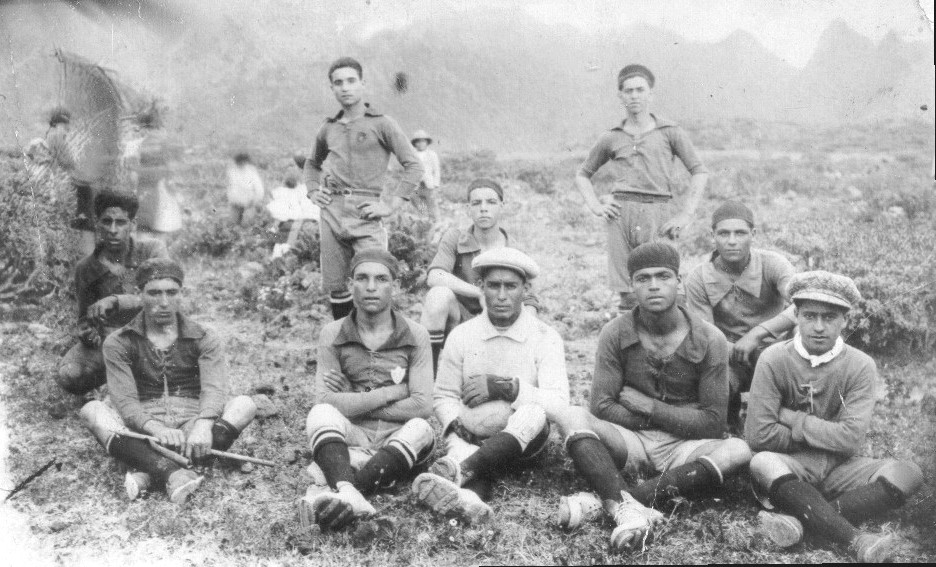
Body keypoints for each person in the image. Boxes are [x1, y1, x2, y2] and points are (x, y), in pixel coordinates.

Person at [551, 242, 751, 551]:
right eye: (643, 278)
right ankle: (626, 505)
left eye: (663, 276)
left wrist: (650, 407)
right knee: (571, 414)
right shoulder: (615, 332)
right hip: (632, 439)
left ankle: (615, 501)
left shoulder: (710, 338)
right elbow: (601, 405)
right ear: (631, 285)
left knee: (736, 450)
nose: (654, 286)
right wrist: (647, 420)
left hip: (685, 447)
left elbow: (713, 423)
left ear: (679, 281)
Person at [746, 271, 923, 562]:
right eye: (809, 316)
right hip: (792, 465)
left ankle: (802, 521)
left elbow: (851, 439)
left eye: (829, 318)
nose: (818, 327)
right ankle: (857, 540)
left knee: (909, 472)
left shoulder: (860, 364)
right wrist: (827, 437)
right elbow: (758, 434)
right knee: (761, 461)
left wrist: (792, 418)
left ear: (845, 320)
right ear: (796, 316)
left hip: (841, 466)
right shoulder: (774, 357)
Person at [79, 258, 258, 503]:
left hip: (192, 427)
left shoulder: (204, 337)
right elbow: (125, 401)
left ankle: (147, 468)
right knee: (92, 411)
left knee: (245, 405)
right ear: (139, 294)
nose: (163, 302)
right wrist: (157, 428)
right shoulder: (119, 342)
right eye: (154, 293)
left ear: (180, 294)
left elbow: (214, 388)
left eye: (171, 292)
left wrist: (204, 425)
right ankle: (172, 472)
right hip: (143, 428)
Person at [412, 248, 569, 524]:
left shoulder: (545, 336)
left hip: (523, 444)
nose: (502, 295)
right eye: (493, 285)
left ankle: (460, 470)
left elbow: (559, 404)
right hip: (470, 435)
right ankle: (469, 502)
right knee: (467, 452)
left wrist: (506, 388)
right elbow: (444, 394)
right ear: (480, 287)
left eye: (511, 286)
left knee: (533, 413)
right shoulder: (462, 335)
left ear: (525, 288)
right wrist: (454, 426)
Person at [299, 249, 435, 532]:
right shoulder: (332, 333)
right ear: (350, 285)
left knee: (421, 427)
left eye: (381, 279)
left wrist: (354, 397)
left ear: (395, 286)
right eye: (362, 278)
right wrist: (391, 392)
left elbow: (422, 405)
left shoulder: (416, 334)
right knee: (320, 413)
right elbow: (325, 399)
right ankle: (353, 489)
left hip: (397, 435)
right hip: (353, 434)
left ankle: (343, 489)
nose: (371, 287)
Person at [575, 64, 708, 313]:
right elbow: (583, 174)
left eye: (640, 90)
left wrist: (686, 214)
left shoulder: (670, 132)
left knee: (664, 283)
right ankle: (630, 345)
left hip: (659, 213)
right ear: (620, 96)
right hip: (620, 214)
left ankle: (666, 345)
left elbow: (699, 171)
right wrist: (596, 205)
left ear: (650, 94)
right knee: (627, 290)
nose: (634, 95)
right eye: (628, 91)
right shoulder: (611, 136)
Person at [304, 56, 423, 320]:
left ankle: (379, 348)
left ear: (362, 84)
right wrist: (313, 190)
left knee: (376, 281)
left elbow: (414, 166)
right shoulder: (328, 128)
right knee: (336, 288)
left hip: (367, 213)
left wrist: (390, 205)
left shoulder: (382, 124)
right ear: (332, 88)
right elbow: (312, 164)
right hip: (331, 212)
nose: (345, 87)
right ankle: (346, 346)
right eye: (338, 83)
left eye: (351, 81)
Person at [685, 201, 797, 429]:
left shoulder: (773, 264)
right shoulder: (699, 278)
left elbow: (804, 304)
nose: (732, 241)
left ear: (753, 234)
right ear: (712, 236)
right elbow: (706, 334)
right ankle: (728, 422)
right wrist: (736, 350)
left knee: (805, 333)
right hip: (728, 358)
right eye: (724, 233)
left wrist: (758, 334)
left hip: (778, 353)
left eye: (740, 233)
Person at [56, 189, 170, 395]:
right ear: (96, 223)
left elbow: (164, 298)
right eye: (106, 222)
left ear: (132, 224)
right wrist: (87, 333)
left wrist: (117, 301)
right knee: (70, 374)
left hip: (150, 337)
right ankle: (115, 379)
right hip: (109, 343)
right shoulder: (86, 268)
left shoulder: (152, 251)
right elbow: (84, 319)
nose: (113, 230)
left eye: (121, 222)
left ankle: (133, 382)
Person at [420, 178, 540, 373]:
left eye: (491, 202)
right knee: (438, 296)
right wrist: (479, 292)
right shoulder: (456, 237)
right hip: (461, 323)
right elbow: (435, 275)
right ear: (468, 209)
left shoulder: (513, 246)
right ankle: (427, 380)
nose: (483, 208)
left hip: (499, 325)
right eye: (476, 203)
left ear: (502, 206)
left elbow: (530, 299)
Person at [267, 174, 321, 259]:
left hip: (290, 223)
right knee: (290, 240)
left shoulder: (281, 193)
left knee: (283, 241)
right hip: (303, 222)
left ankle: (279, 257)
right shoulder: (301, 191)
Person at [410, 129, 441, 222]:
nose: (421, 144)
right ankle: (424, 217)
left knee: (431, 203)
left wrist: (436, 185)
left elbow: (436, 170)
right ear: (415, 143)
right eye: (418, 141)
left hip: (429, 184)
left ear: (427, 142)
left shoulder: (432, 154)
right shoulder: (412, 155)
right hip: (416, 184)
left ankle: (435, 222)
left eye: (423, 141)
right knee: (415, 198)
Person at [226, 152, 265, 225]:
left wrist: (255, 201)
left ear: (246, 162)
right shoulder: (232, 171)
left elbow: (259, 189)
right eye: (239, 163)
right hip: (236, 203)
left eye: (243, 162)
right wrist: (232, 199)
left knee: (246, 225)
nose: (241, 164)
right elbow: (230, 187)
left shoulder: (252, 172)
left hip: (249, 203)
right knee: (232, 224)